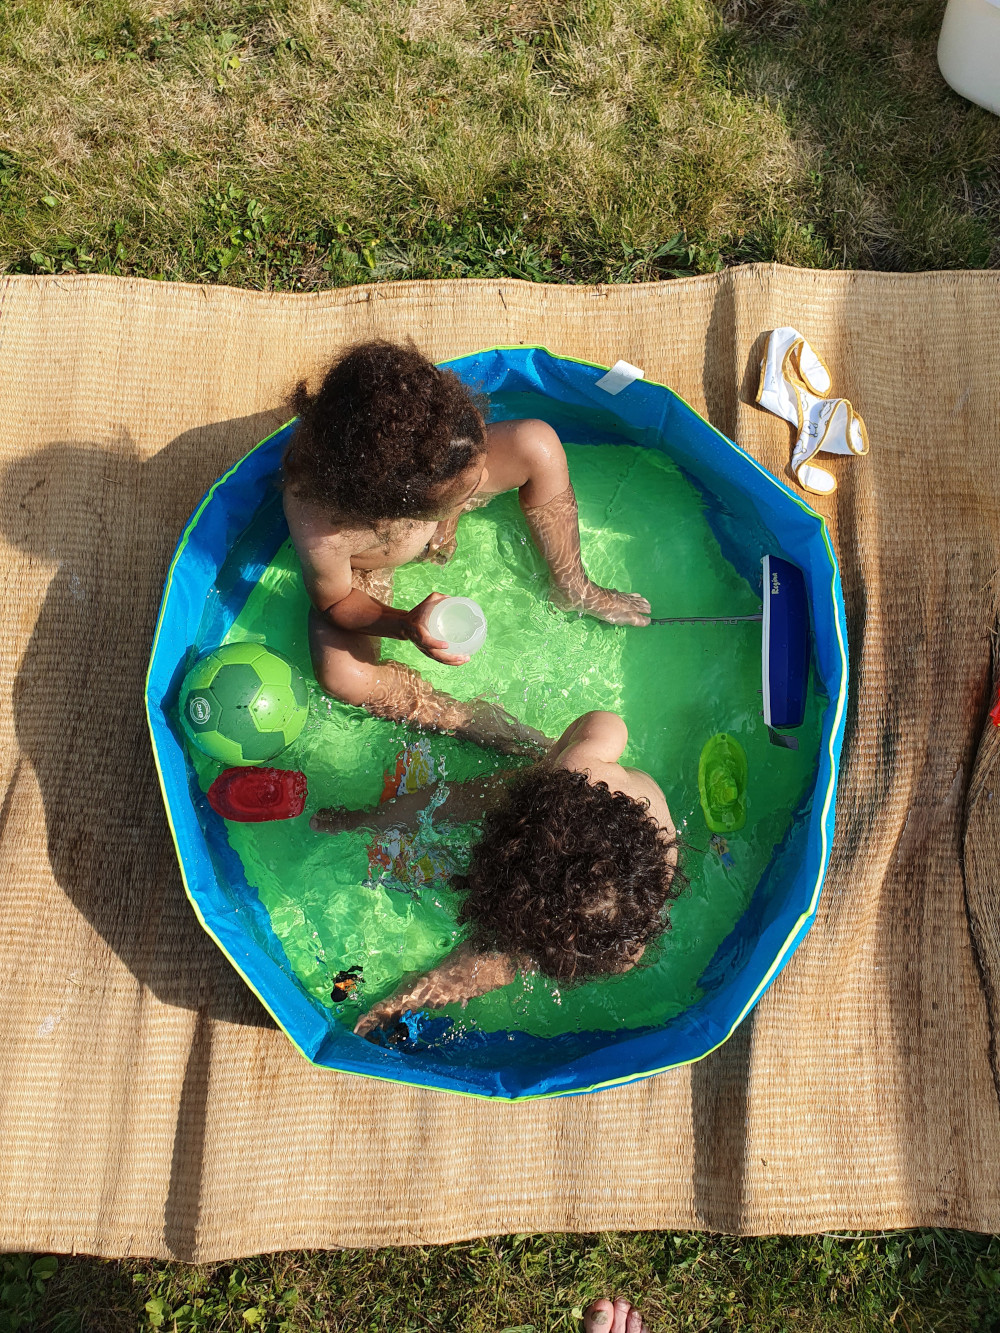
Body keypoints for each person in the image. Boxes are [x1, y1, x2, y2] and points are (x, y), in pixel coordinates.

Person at [284, 340, 651, 756]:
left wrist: (451, 510)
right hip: (370, 572)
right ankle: (467, 722)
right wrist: (404, 624)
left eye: (475, 468)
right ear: (393, 510)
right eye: (466, 488)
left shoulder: (435, 432)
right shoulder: (325, 527)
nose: (481, 483)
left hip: (431, 488)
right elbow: (334, 603)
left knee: (537, 442)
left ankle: (573, 587)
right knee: (342, 676)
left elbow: (467, 466)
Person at [310, 711, 681, 1036]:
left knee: (452, 802)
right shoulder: (580, 769)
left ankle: (366, 821)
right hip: (556, 799)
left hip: (553, 808)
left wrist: (548, 765)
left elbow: (606, 723)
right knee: (504, 952)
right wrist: (547, 765)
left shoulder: (581, 761)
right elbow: (605, 723)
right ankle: (411, 998)